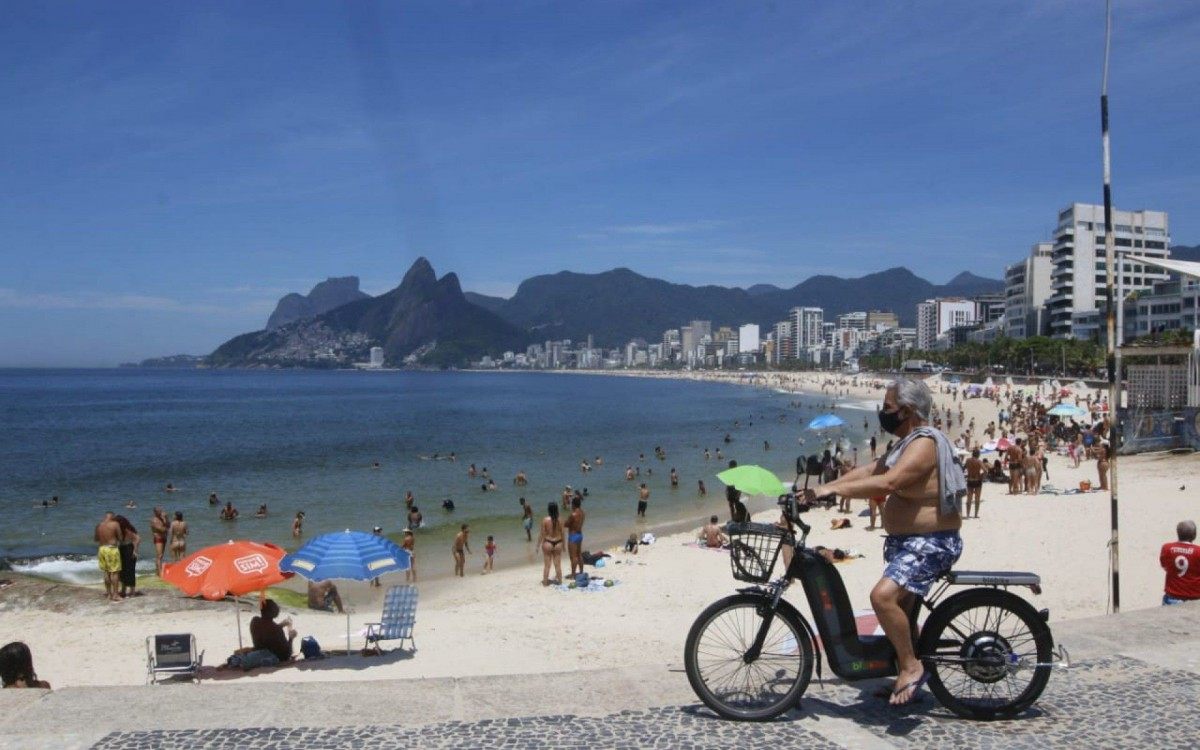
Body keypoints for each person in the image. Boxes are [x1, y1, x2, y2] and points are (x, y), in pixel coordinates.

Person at [806, 377, 963, 706]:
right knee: (900, 613)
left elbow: (889, 481)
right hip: (910, 544)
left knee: (882, 598)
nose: (883, 413)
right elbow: (871, 470)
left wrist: (831, 490)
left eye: (888, 408)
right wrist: (820, 489)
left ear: (907, 411)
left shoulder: (924, 444)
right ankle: (905, 668)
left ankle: (909, 667)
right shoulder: (906, 443)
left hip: (931, 542)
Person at [1160, 520, 1200, 605]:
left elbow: (1164, 566)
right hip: (1195, 599)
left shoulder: (1166, 548)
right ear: (1194, 535)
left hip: (1172, 597)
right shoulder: (1198, 551)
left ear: (1178, 533)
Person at [94, 512, 122, 602]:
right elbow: (120, 537)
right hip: (111, 549)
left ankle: (109, 594)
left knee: (106, 572)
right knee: (115, 572)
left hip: (102, 549)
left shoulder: (99, 525)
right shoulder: (115, 524)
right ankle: (116, 595)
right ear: (112, 517)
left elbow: (96, 539)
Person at [114, 515, 141, 598]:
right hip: (122, 548)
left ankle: (132, 591)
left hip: (128, 548)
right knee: (122, 570)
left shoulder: (126, 530)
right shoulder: (120, 530)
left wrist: (135, 550)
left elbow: (137, 538)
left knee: (130, 570)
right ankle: (123, 590)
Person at [538, 502, 564, 586]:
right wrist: (564, 545)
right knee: (558, 565)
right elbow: (563, 533)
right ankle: (560, 582)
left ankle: (545, 583)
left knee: (547, 565)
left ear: (548, 509)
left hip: (548, 542)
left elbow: (542, 534)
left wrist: (537, 545)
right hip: (558, 542)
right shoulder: (560, 520)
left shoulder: (545, 520)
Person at [566, 496, 586, 577]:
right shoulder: (583, 513)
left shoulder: (573, 514)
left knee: (573, 556)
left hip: (573, 535)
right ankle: (581, 572)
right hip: (579, 535)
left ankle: (573, 574)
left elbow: (566, 524)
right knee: (579, 554)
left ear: (573, 504)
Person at [964, 449, 984, 518]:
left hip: (970, 480)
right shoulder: (979, 461)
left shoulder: (968, 460)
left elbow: (963, 468)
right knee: (977, 498)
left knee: (969, 498)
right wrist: (982, 477)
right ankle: (975, 515)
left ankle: (967, 515)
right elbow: (985, 470)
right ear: (978, 454)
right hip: (977, 480)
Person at [150, 507, 169, 575]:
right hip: (158, 538)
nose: (161, 512)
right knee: (159, 556)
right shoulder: (154, 520)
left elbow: (168, 526)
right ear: (155, 512)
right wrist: (166, 528)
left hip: (164, 538)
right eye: (159, 511)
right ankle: (160, 573)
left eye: (161, 510)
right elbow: (162, 529)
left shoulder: (162, 518)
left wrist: (166, 518)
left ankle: (157, 571)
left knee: (161, 556)